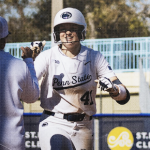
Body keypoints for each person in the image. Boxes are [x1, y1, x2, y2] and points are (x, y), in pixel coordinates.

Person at [22, 7, 130, 150]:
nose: (67, 33)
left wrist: (114, 90)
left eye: (73, 28)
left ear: (82, 31)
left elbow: (125, 96)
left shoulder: (94, 56)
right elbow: (27, 87)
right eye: (62, 29)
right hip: (54, 121)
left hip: (84, 125)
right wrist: (29, 62)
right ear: (56, 33)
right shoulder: (47, 56)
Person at [0, 16, 39, 150]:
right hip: (11, 142)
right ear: (4, 40)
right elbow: (32, 96)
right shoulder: (18, 65)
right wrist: (29, 61)